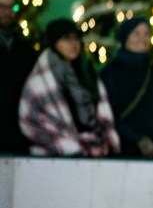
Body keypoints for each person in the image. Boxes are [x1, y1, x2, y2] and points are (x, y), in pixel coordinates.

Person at [18, 18, 120, 157]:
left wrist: (104, 142)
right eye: (66, 39)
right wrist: (69, 146)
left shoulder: (88, 74)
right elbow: (29, 121)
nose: (73, 44)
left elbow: (102, 115)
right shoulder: (40, 82)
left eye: (76, 38)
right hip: (52, 159)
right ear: (55, 43)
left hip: (94, 154)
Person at [100, 16, 153, 159]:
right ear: (125, 38)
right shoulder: (111, 72)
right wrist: (136, 139)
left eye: (146, 34)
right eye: (136, 33)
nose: (142, 38)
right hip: (123, 153)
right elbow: (108, 114)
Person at [0, 0, 39, 154]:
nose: (7, 12)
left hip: (17, 137)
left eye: (12, 7)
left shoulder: (25, 50)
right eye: (2, 6)